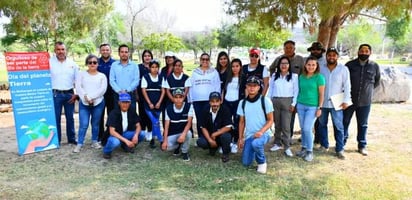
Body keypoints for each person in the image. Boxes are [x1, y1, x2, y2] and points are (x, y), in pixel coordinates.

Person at [343, 44, 380, 156]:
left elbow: (376, 82)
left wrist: (367, 92)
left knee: (363, 124)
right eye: (362, 51)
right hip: (349, 100)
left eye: (366, 51)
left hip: (365, 101)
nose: (364, 53)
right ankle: (342, 143)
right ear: (358, 52)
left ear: (370, 53)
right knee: (345, 122)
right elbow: (344, 81)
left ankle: (362, 145)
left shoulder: (374, 66)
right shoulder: (349, 65)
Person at [318, 47, 351, 159]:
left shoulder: (343, 69)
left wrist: (346, 100)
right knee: (322, 124)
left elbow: (347, 86)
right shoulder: (321, 68)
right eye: (329, 55)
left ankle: (340, 149)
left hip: (337, 102)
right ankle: (324, 144)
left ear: (337, 56)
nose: (331, 57)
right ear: (326, 56)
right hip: (322, 102)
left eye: (334, 55)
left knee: (338, 126)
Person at [237, 76, 274, 174]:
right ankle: (254, 150)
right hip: (250, 135)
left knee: (256, 143)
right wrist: (240, 138)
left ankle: (262, 162)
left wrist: (261, 131)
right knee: (246, 163)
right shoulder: (242, 103)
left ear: (259, 87)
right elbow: (241, 122)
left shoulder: (265, 100)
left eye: (255, 85)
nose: (252, 88)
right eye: (249, 85)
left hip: (264, 133)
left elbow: (270, 120)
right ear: (246, 87)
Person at [270, 40, 305, 138]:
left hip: (294, 92)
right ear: (284, 48)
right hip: (280, 92)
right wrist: (275, 77)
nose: (288, 49)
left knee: (290, 116)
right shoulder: (279, 59)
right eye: (286, 48)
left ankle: (288, 137)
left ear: (294, 49)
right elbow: (271, 68)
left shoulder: (300, 60)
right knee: (278, 118)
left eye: (291, 48)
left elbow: (304, 72)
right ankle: (278, 137)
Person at [73, 54, 107, 153]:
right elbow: (79, 87)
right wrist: (86, 97)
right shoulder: (81, 74)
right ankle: (79, 143)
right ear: (87, 63)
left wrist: (91, 97)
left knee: (95, 123)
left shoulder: (102, 76)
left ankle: (94, 141)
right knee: (83, 124)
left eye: (94, 62)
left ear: (98, 64)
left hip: (98, 103)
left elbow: (102, 89)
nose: (92, 64)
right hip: (84, 103)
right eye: (90, 62)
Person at [268, 56, 299, 157]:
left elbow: (296, 91)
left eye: (286, 63)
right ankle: (277, 143)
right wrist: (269, 102)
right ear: (279, 65)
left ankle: (287, 146)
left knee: (286, 125)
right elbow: (271, 89)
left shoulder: (294, 76)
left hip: (288, 101)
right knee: (277, 124)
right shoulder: (274, 76)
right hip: (275, 101)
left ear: (289, 65)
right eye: (282, 63)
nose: (284, 65)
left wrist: (293, 104)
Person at [296, 56, 325, 162]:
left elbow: (322, 94)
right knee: (303, 128)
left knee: (308, 128)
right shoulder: (301, 77)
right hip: (301, 105)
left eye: (313, 65)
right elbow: (298, 91)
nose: (311, 67)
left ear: (316, 66)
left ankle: (309, 151)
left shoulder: (319, 77)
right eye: (309, 64)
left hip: (312, 106)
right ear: (305, 65)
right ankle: (303, 148)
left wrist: (319, 107)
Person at [49, 41, 79, 145]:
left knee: (70, 117)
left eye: (62, 49)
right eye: (58, 49)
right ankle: (56, 139)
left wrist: (76, 94)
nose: (61, 51)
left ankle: (71, 138)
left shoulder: (72, 64)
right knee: (55, 117)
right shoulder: (49, 63)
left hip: (69, 94)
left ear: (66, 50)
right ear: (55, 50)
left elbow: (78, 80)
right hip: (55, 94)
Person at [102, 93, 145, 159]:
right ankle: (107, 151)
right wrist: (126, 141)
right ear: (119, 103)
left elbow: (138, 125)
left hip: (125, 133)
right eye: (123, 102)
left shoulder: (132, 111)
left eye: (127, 102)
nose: (125, 104)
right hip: (114, 135)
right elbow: (112, 132)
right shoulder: (113, 113)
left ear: (130, 103)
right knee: (115, 142)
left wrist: (136, 135)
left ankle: (126, 146)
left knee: (142, 134)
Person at [189, 53, 221, 139]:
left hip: (210, 100)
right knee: (200, 119)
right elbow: (191, 86)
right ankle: (201, 137)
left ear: (209, 61)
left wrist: (216, 100)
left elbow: (217, 86)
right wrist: (191, 99)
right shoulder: (195, 72)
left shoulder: (214, 72)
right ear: (200, 60)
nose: (205, 61)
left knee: (210, 119)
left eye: (207, 59)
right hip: (197, 100)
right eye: (203, 59)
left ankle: (210, 137)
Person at [197, 92, 233, 162]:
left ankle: (225, 153)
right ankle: (213, 148)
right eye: (212, 101)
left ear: (220, 101)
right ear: (209, 102)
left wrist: (215, 134)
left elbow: (228, 127)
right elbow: (203, 127)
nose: (215, 104)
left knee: (226, 136)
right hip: (210, 135)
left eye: (217, 101)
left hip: (220, 135)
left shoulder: (225, 109)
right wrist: (210, 140)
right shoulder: (205, 110)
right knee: (200, 142)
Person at [161, 88, 193, 161]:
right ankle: (178, 147)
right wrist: (165, 141)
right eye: (176, 97)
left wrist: (183, 135)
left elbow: (189, 123)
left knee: (188, 133)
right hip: (173, 133)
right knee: (166, 148)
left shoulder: (189, 106)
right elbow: (166, 126)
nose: (178, 99)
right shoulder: (168, 108)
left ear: (183, 97)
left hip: (183, 132)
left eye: (180, 97)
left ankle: (185, 152)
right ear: (173, 98)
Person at [222, 58, 245, 154]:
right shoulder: (228, 77)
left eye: (237, 66)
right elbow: (223, 90)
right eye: (233, 66)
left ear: (240, 67)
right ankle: (228, 142)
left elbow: (246, 91)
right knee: (227, 123)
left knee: (236, 123)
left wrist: (245, 102)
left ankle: (235, 142)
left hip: (237, 103)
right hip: (227, 102)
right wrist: (222, 101)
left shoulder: (243, 78)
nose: (235, 68)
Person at [141, 60, 165, 149]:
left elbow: (163, 91)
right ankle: (161, 140)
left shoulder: (161, 77)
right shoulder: (145, 77)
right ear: (149, 68)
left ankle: (153, 140)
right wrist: (149, 103)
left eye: (156, 67)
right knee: (155, 121)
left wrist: (159, 102)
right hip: (148, 104)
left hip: (158, 104)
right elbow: (144, 91)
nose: (154, 69)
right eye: (152, 67)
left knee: (156, 122)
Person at [306, 42, 327, 146]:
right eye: (313, 50)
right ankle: (308, 135)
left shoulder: (326, 61)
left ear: (321, 51)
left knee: (320, 118)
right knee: (309, 118)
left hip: (322, 90)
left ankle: (318, 138)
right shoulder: (307, 60)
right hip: (309, 93)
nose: (315, 51)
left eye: (318, 50)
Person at [109, 44, 140, 111]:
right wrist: (119, 91)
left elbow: (136, 80)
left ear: (129, 53)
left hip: (130, 94)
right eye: (122, 52)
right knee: (118, 116)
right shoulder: (114, 65)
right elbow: (112, 80)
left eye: (126, 52)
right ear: (119, 53)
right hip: (117, 94)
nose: (124, 54)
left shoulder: (134, 65)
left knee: (131, 116)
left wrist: (127, 90)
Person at [97, 43, 116, 142]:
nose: (105, 51)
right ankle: (100, 135)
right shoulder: (95, 62)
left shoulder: (115, 63)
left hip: (111, 93)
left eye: (107, 50)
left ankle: (109, 133)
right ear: (100, 51)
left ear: (110, 51)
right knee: (99, 115)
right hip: (99, 94)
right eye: (103, 50)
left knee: (111, 115)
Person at [137, 50, 154, 141]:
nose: (147, 57)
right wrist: (136, 94)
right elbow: (136, 81)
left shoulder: (154, 67)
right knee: (142, 113)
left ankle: (150, 131)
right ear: (142, 57)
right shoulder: (139, 67)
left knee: (150, 114)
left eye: (149, 55)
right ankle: (142, 131)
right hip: (141, 94)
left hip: (151, 95)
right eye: (145, 56)